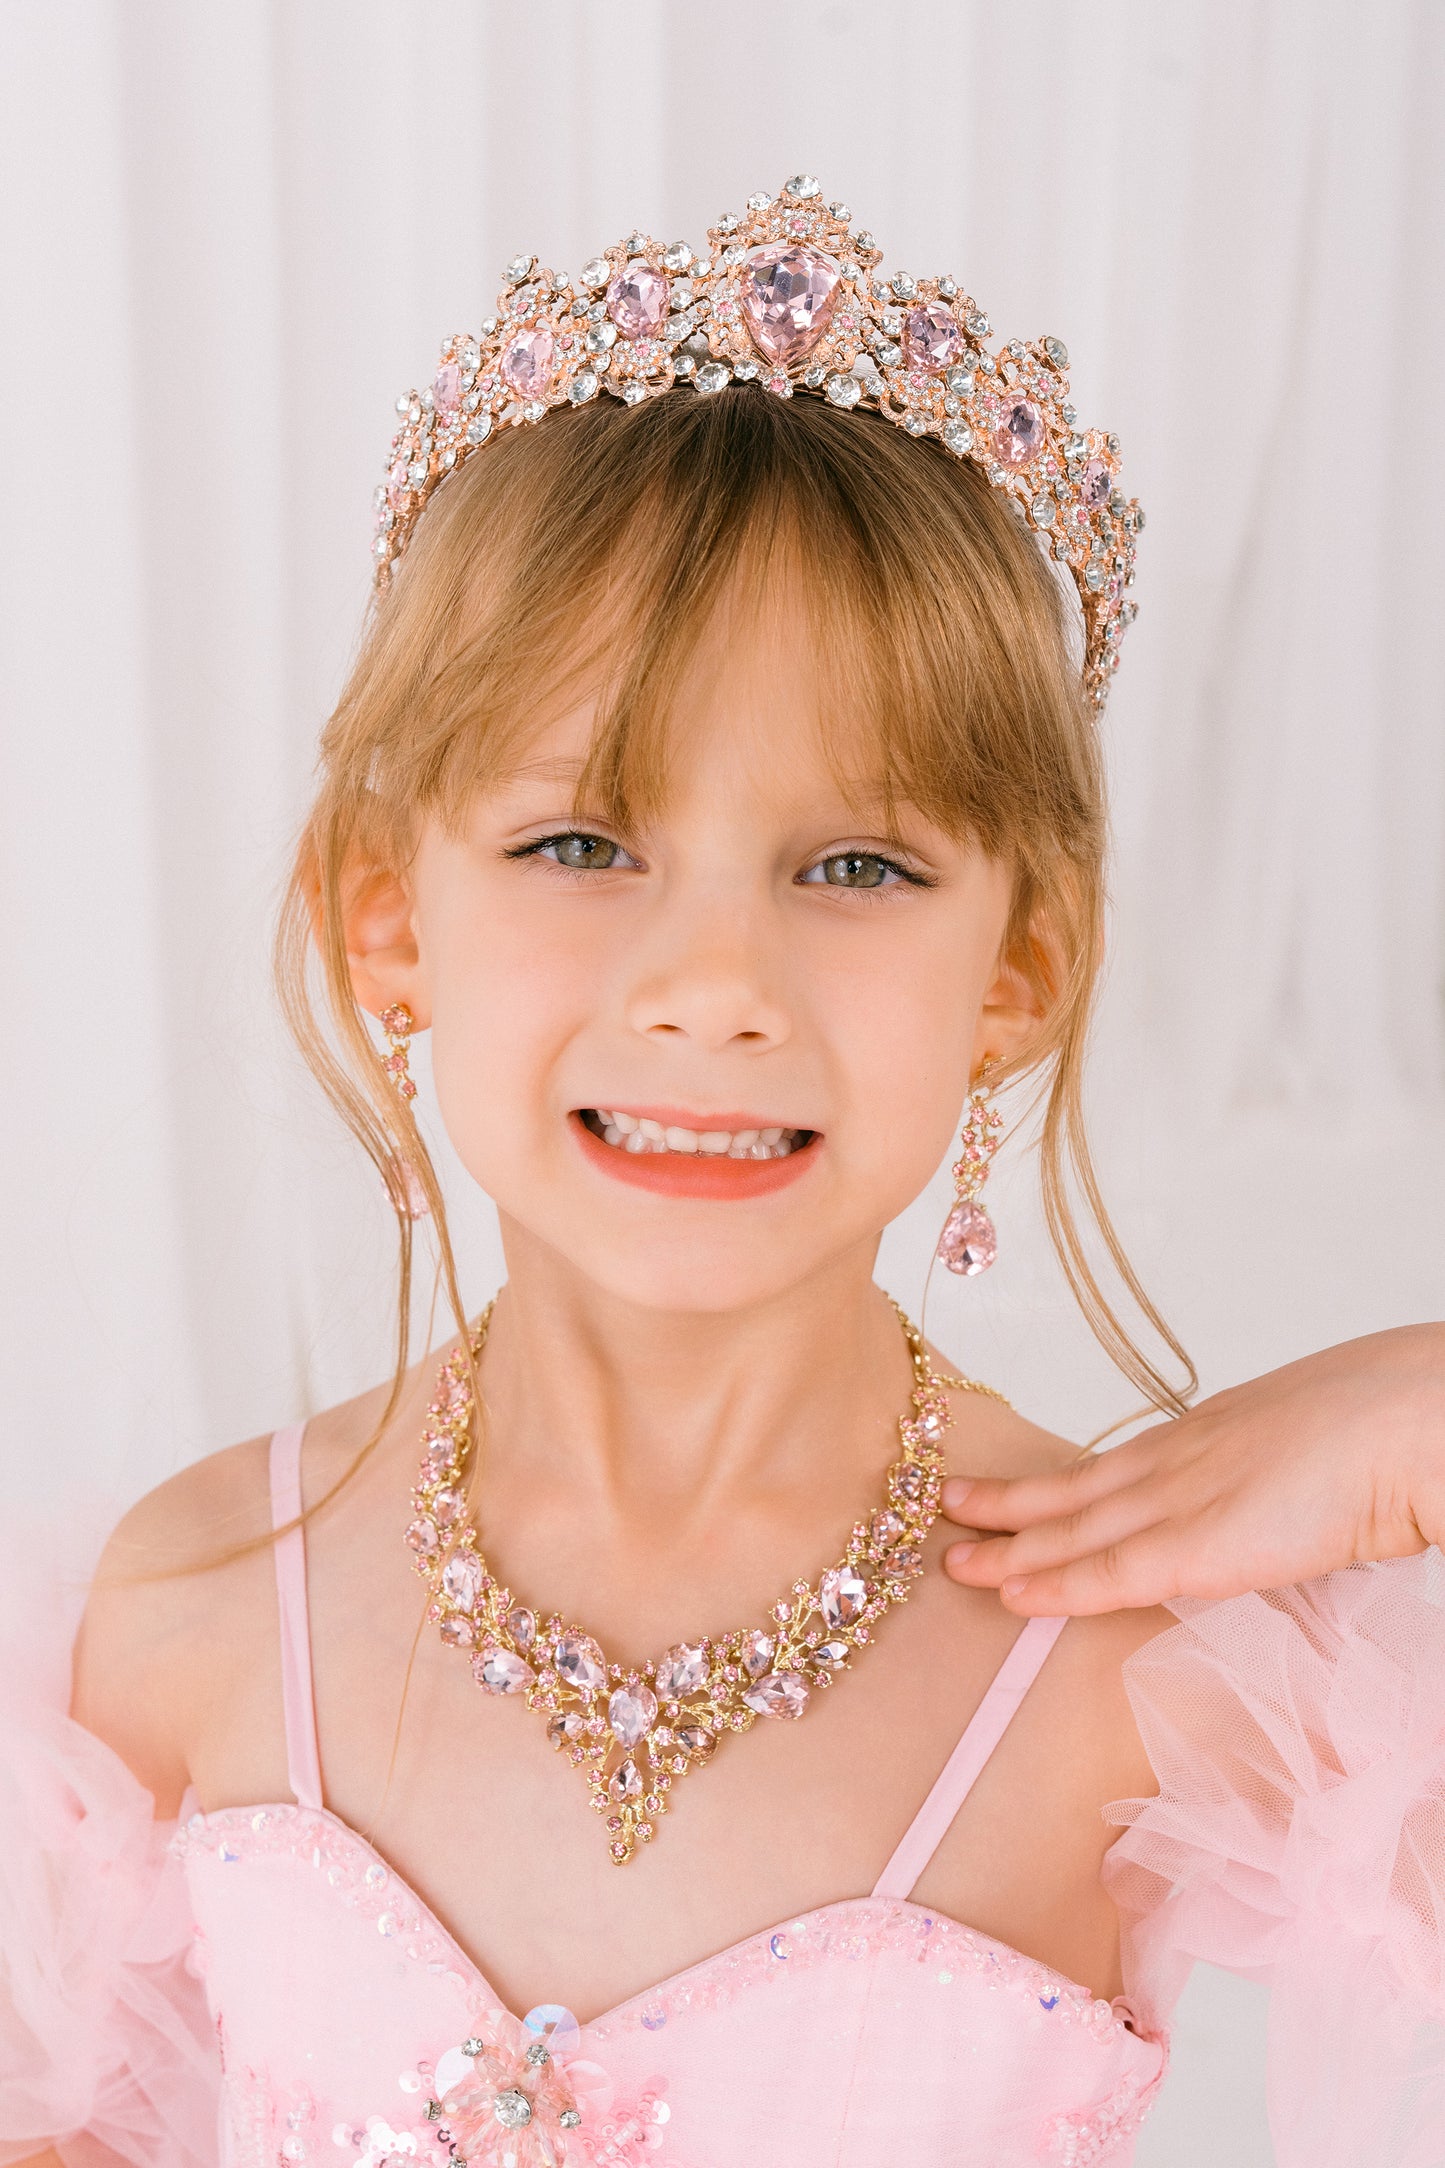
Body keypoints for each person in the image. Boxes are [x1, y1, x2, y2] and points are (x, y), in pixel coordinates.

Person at [3, 176, 1442, 2168]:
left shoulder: (1149, 1678)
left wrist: (1418, 1414)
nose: (711, 990)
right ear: (386, 919)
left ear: (1017, 968)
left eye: (854, 867)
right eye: (583, 844)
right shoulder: (183, 1620)